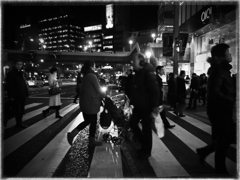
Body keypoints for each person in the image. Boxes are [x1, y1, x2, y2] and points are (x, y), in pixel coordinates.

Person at [196, 43, 236, 175]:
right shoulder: (219, 70)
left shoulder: (221, 69)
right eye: (228, 53)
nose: (231, 55)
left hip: (221, 109)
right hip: (220, 110)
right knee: (225, 139)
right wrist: (230, 98)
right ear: (221, 56)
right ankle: (220, 169)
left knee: (224, 139)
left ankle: (208, 155)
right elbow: (214, 91)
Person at [67, 60, 107, 147]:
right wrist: (105, 95)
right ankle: (74, 135)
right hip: (91, 104)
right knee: (92, 121)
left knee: (89, 121)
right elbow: (98, 89)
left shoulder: (86, 75)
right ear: (92, 66)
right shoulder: (92, 76)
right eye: (94, 65)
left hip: (86, 103)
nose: (95, 67)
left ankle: (89, 140)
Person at [129, 53, 160, 159]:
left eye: (134, 61)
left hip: (147, 106)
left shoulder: (148, 73)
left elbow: (154, 90)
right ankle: (144, 145)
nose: (132, 63)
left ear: (141, 62)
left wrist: (155, 107)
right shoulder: (138, 73)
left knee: (146, 129)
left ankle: (146, 151)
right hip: (139, 105)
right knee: (132, 123)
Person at [5, 59, 29, 128]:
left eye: (20, 64)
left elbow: (23, 84)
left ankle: (19, 123)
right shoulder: (11, 73)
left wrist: (26, 93)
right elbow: (9, 86)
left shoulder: (21, 73)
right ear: (14, 65)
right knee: (15, 110)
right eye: (18, 64)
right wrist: (11, 96)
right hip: (15, 95)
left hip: (22, 95)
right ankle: (5, 119)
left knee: (20, 110)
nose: (19, 66)